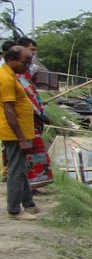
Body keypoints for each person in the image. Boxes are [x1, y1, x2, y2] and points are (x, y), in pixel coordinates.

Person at [1, 44, 39, 221]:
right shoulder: (6, 78)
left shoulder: (12, 75)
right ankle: (14, 210)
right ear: (12, 60)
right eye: (26, 62)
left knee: (21, 168)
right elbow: (9, 110)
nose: (28, 66)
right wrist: (22, 138)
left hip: (20, 133)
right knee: (16, 170)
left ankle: (28, 203)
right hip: (14, 134)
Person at [15, 37, 53, 190]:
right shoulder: (18, 79)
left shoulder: (24, 77)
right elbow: (31, 104)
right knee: (30, 157)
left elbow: (34, 99)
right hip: (27, 125)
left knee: (29, 157)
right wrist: (45, 116)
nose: (30, 64)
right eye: (27, 61)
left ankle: (30, 189)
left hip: (31, 125)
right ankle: (30, 188)